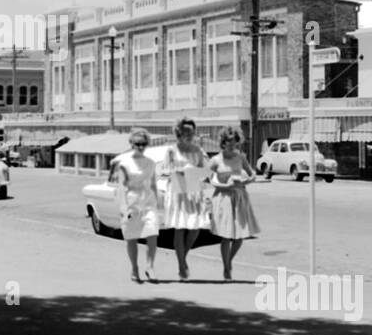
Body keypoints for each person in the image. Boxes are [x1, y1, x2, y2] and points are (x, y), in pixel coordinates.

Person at [161, 117, 210, 280]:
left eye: (192, 132)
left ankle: (183, 258)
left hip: (194, 192)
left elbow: (207, 171)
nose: (190, 135)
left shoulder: (198, 151)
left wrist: (195, 170)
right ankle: (182, 266)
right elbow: (164, 171)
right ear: (179, 133)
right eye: (186, 132)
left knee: (195, 228)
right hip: (178, 192)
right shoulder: (171, 151)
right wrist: (177, 171)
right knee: (180, 228)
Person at [208, 127, 260, 280]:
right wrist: (224, 185)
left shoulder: (241, 158)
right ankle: (226, 269)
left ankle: (229, 261)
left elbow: (253, 175)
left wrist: (247, 180)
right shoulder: (216, 160)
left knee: (239, 236)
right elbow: (209, 179)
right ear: (222, 143)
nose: (231, 146)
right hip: (223, 198)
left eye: (234, 143)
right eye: (228, 143)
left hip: (239, 197)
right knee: (226, 236)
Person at [110, 128, 161, 283]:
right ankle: (134, 268)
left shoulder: (151, 163)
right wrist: (123, 208)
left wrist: (158, 204)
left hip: (148, 201)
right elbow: (122, 186)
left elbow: (153, 184)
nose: (140, 146)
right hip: (131, 201)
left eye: (143, 144)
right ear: (131, 144)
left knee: (152, 233)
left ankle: (150, 266)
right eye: (137, 143)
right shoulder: (124, 163)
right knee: (132, 238)